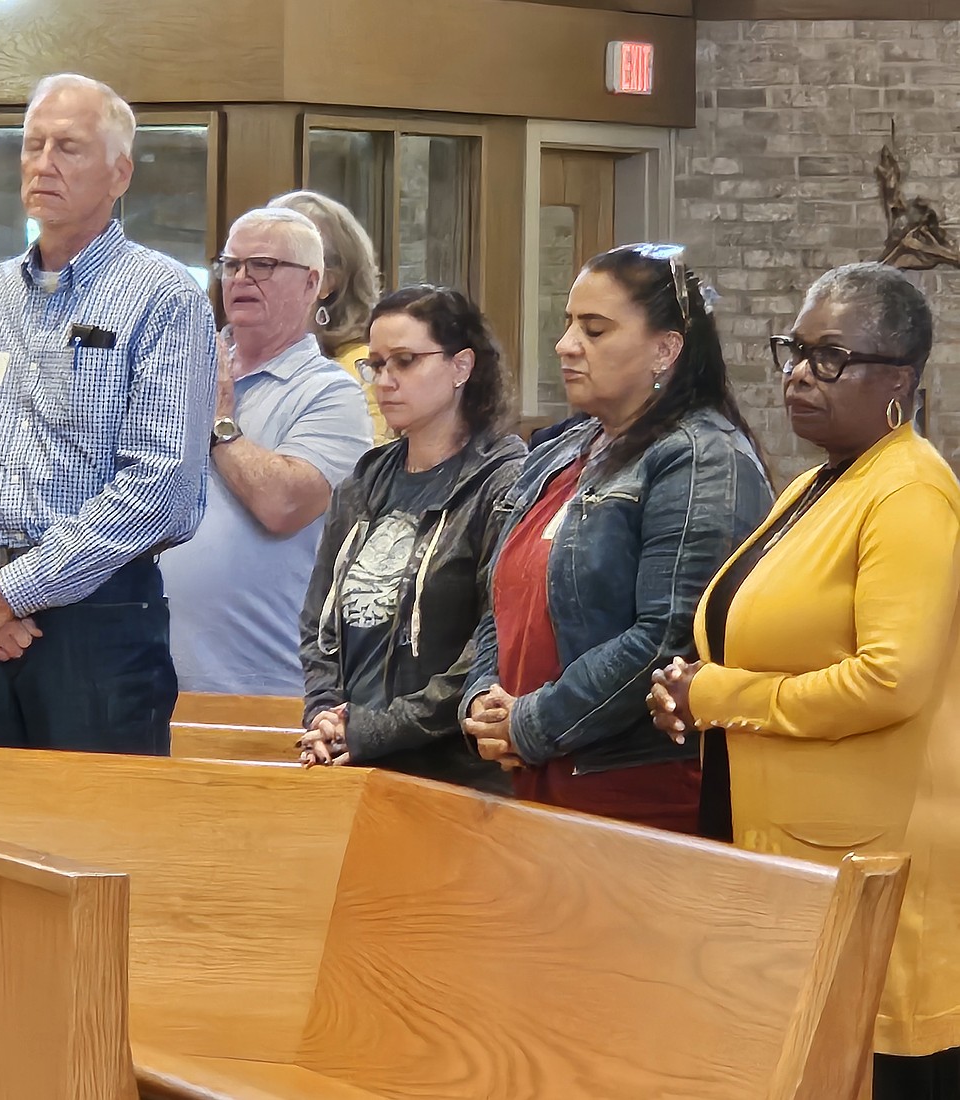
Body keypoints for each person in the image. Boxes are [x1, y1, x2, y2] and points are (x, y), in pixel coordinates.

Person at [647, 263, 960, 1098]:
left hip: (872, 864)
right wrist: (689, 682)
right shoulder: (823, 480)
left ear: (899, 377)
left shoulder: (910, 493)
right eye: (795, 351)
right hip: (789, 846)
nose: (797, 374)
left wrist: (714, 697)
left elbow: (890, 680)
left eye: (831, 357)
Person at [0, 73, 216, 755]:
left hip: (97, 618)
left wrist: (14, 591)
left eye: (69, 148)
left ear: (119, 172)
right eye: (33, 145)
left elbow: (160, 488)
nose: (44, 164)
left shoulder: (165, 297)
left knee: (99, 843)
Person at [460, 243, 772, 832]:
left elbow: (670, 636)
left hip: (631, 787)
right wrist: (483, 702)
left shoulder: (702, 458)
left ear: (665, 349)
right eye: (569, 324)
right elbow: (500, 599)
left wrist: (530, 722)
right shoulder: (560, 450)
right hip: (530, 772)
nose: (566, 345)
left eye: (595, 330)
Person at [298, 286, 525, 793]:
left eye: (404, 361)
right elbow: (320, 621)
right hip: (354, 756)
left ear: (461, 366)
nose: (385, 381)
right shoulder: (365, 480)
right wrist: (325, 717)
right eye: (376, 364)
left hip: (453, 771)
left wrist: (379, 729)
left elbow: (493, 639)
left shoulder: (504, 480)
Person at [160, 207, 372, 696]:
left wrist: (217, 423)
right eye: (232, 265)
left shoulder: (330, 393)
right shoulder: (179, 366)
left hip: (256, 681)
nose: (241, 278)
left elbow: (284, 505)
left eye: (264, 265)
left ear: (313, 283)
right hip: (145, 671)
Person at [268, 190, 389, 443]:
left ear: (324, 281)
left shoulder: (365, 370)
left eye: (269, 263)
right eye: (236, 263)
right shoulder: (230, 359)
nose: (244, 276)